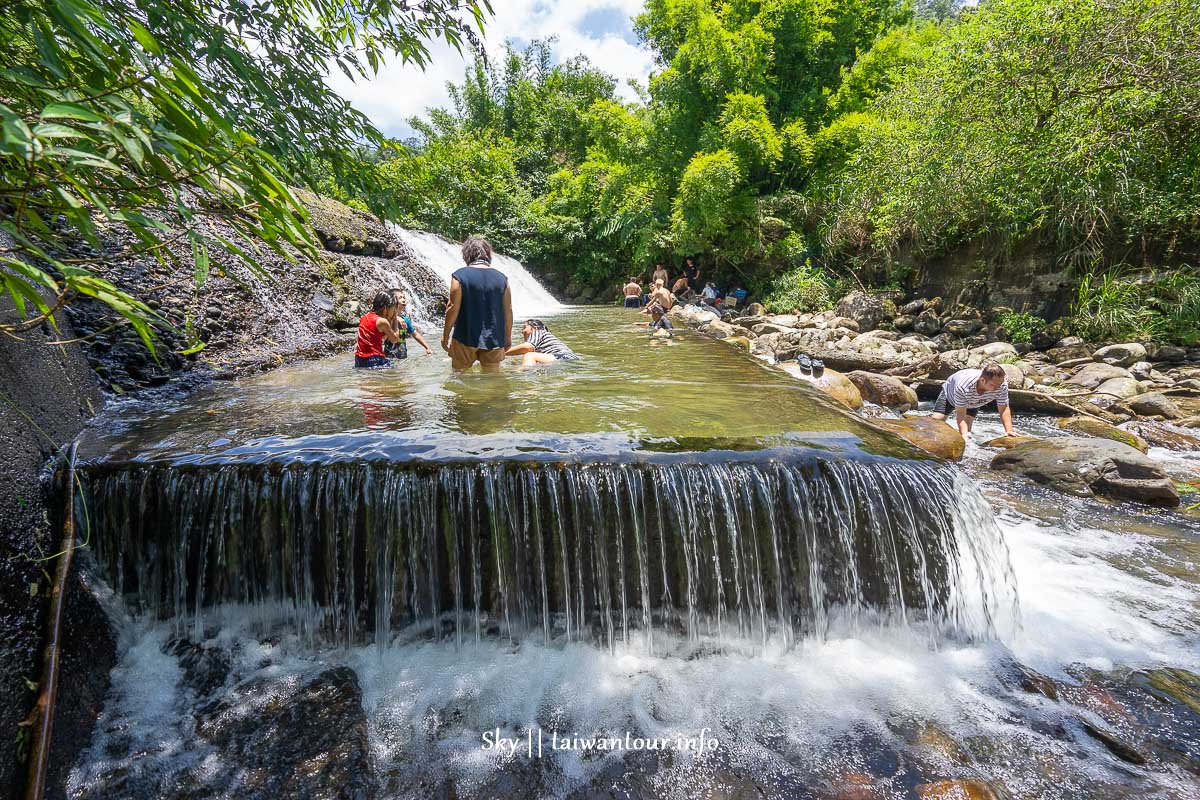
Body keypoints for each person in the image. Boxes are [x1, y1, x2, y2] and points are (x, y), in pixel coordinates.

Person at [441, 237, 513, 371]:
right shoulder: (502, 279)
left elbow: (452, 307)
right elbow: (508, 310)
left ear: (467, 254)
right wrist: (507, 337)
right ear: (488, 254)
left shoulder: (459, 276)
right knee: (492, 382)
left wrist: (445, 336)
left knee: (459, 378)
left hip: (465, 335)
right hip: (494, 339)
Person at [933, 363, 1017, 438]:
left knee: (968, 432)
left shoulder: (1001, 385)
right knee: (936, 422)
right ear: (982, 380)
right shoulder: (964, 386)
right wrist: (964, 435)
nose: (998, 388)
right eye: (993, 385)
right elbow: (960, 414)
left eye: (1000, 384)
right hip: (950, 395)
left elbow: (1004, 409)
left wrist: (1009, 430)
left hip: (975, 401)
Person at [354, 291, 403, 368]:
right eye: (394, 308)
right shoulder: (383, 321)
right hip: (375, 358)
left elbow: (381, 338)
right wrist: (395, 320)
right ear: (385, 308)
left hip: (359, 358)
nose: (395, 311)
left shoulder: (365, 317)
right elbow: (395, 339)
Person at [383, 290, 434, 358]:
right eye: (400, 298)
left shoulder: (405, 319)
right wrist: (396, 318)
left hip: (402, 353)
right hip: (389, 353)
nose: (403, 300)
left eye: (404, 297)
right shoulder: (387, 318)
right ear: (392, 301)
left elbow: (415, 334)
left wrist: (427, 347)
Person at [506, 319, 580, 366]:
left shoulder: (538, 332)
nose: (522, 332)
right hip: (569, 359)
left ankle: (525, 378)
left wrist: (502, 353)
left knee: (530, 355)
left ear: (535, 327)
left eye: (524, 327)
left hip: (563, 357)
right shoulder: (544, 340)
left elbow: (527, 347)